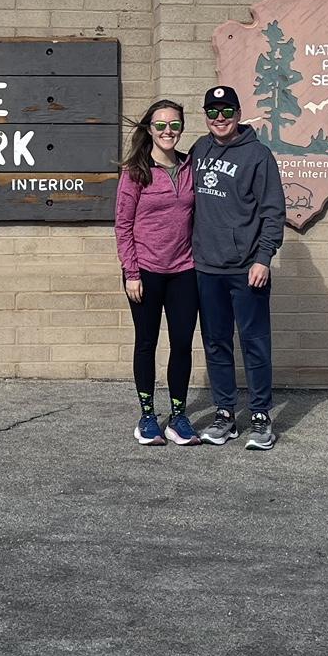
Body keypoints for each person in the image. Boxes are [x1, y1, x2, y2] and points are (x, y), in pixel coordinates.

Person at [189, 84, 285, 450]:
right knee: (216, 343)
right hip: (206, 267)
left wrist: (263, 258)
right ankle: (225, 414)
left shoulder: (258, 155)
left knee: (254, 343)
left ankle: (260, 418)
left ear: (238, 114)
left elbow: (273, 211)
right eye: (212, 112)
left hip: (247, 269)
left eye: (226, 112)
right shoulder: (199, 149)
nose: (219, 119)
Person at [114, 99, 199, 445]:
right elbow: (122, 225)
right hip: (145, 271)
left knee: (182, 343)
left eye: (175, 125)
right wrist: (131, 271)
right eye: (161, 125)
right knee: (146, 342)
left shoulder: (191, 166)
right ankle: (147, 417)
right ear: (149, 129)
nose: (168, 131)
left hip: (184, 270)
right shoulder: (136, 171)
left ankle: (178, 416)